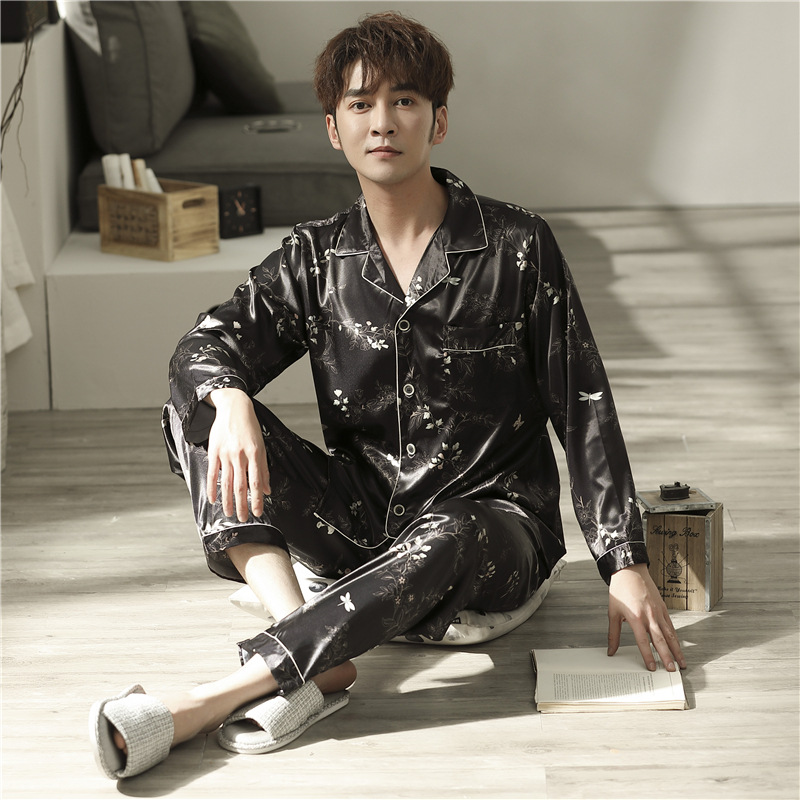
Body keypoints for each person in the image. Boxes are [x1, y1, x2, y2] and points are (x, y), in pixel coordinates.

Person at [90, 11, 686, 780]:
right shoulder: (316, 258)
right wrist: (230, 397)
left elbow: (584, 406)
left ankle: (210, 699)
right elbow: (202, 350)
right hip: (365, 521)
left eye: (404, 101)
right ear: (333, 128)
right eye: (360, 104)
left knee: (453, 528)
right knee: (196, 407)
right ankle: (312, 648)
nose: (383, 122)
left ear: (438, 120)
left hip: (491, 533)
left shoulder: (518, 247)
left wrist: (624, 559)